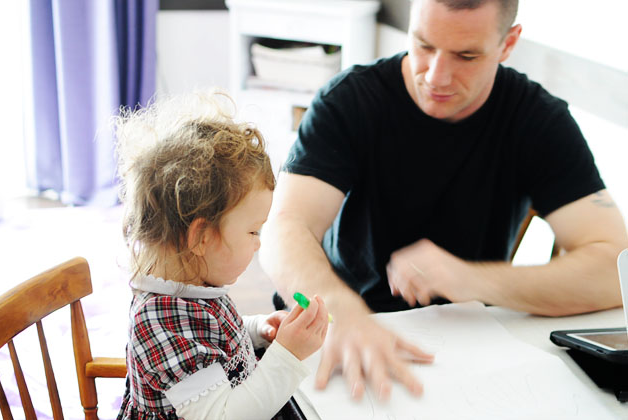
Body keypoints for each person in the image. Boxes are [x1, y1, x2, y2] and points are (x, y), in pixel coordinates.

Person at [259, 0, 628, 403]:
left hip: (463, 345)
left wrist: (471, 279)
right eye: (423, 45)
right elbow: (283, 229)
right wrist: (340, 312)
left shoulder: (538, 120)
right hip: (335, 330)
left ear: (508, 43)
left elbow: (614, 268)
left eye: (466, 55)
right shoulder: (349, 100)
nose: (436, 75)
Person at [114, 90, 329, 420]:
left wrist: (256, 330)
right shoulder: (160, 318)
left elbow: (207, 338)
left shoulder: (189, 284)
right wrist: (288, 355)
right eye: (253, 231)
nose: (259, 244)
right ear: (201, 237)